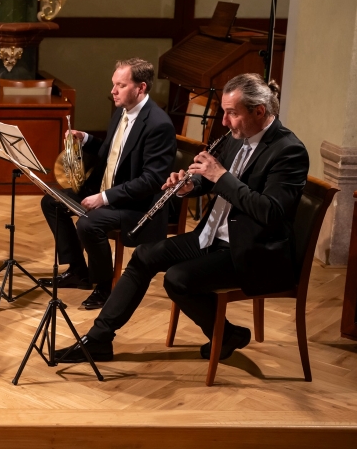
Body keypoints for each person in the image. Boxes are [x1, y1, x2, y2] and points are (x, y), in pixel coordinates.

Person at [55, 74, 309, 363]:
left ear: (259, 111)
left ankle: (225, 333)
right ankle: (99, 339)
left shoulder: (288, 151)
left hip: (253, 251)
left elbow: (271, 212)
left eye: (232, 114)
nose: (224, 122)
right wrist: (191, 186)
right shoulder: (238, 136)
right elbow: (211, 181)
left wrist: (220, 176)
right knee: (144, 256)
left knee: (178, 279)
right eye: (223, 112)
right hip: (213, 235)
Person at [41, 58, 176, 310]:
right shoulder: (122, 111)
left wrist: (104, 198)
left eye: (120, 85)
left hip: (137, 205)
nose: (112, 91)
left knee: (89, 224)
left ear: (141, 88)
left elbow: (152, 180)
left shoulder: (158, 125)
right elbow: (113, 150)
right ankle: (79, 270)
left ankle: (105, 287)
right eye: (113, 84)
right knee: (52, 201)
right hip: (109, 188)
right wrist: (86, 138)